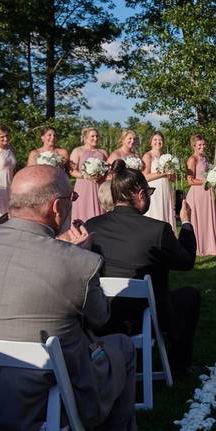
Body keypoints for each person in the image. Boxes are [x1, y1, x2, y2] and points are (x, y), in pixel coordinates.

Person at [0, 165, 140, 431]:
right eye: (71, 196)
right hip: (40, 400)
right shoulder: (78, 261)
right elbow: (100, 318)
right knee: (122, 347)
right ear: (57, 207)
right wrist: (81, 257)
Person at [86, 160, 200, 373]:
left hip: (101, 316)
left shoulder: (92, 226)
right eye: (149, 192)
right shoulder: (157, 230)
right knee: (190, 296)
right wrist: (186, 222)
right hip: (146, 317)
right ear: (140, 194)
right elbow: (186, 262)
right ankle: (180, 365)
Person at [184, 134, 216, 256]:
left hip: (207, 193)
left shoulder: (205, 158)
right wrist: (207, 181)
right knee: (198, 220)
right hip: (197, 194)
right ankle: (198, 247)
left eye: (204, 144)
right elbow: (190, 180)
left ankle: (209, 246)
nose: (202, 146)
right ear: (194, 145)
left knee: (207, 219)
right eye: (199, 144)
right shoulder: (192, 159)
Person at [69, 126, 109, 223]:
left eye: (97, 136)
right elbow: (71, 170)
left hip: (99, 186)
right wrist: (86, 175)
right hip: (84, 186)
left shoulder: (103, 152)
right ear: (85, 138)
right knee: (83, 209)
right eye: (92, 136)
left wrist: (102, 175)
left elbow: (108, 169)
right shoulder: (78, 151)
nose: (95, 139)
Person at [141, 131, 177, 226]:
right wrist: (163, 173)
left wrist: (171, 175)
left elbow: (173, 179)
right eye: (155, 140)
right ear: (151, 142)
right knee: (156, 214)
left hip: (166, 190)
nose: (158, 142)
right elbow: (145, 177)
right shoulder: (148, 156)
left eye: (160, 140)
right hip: (154, 191)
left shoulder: (167, 158)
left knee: (166, 213)